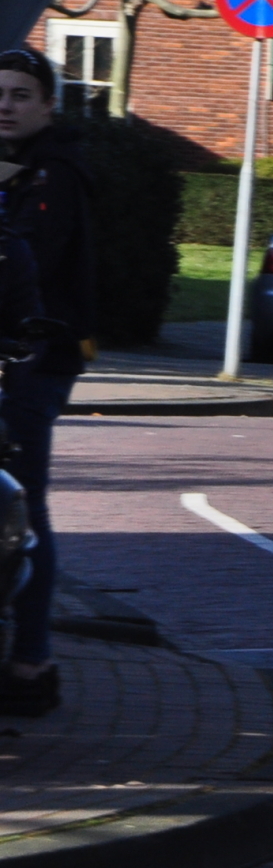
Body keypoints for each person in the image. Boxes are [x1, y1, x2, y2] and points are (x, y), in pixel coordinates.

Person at [0, 49, 90, 718]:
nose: (5, 104)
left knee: (22, 502)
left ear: (48, 104)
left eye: (21, 94)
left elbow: (27, 252)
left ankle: (33, 659)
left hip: (33, 361)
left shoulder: (53, 171)